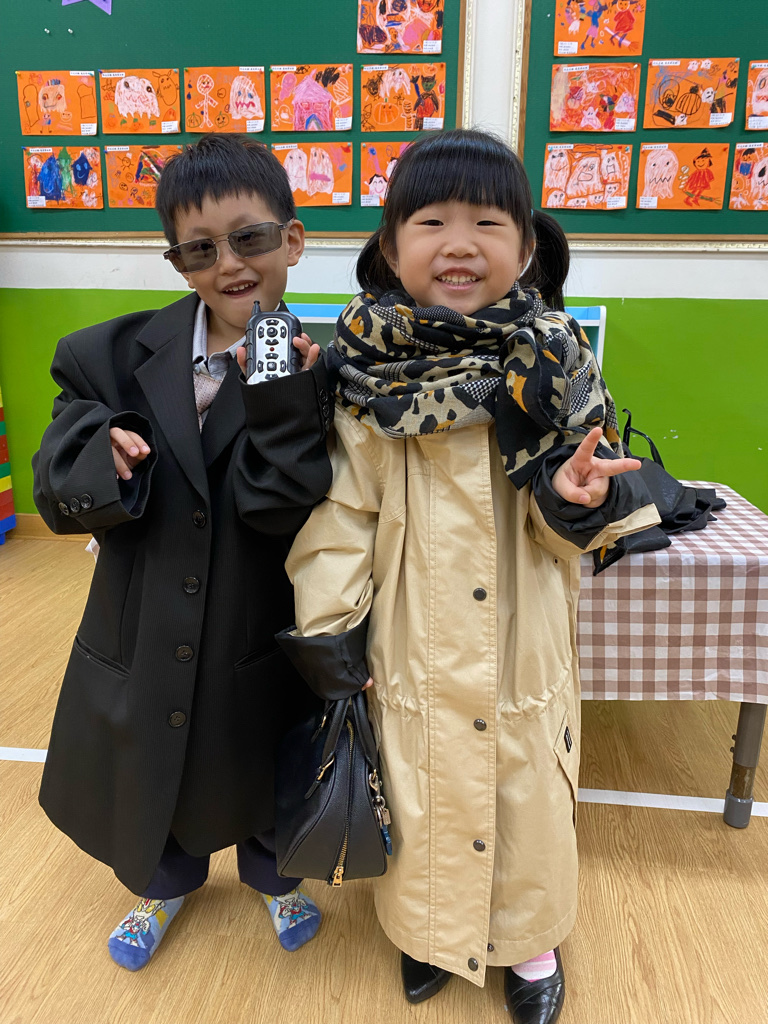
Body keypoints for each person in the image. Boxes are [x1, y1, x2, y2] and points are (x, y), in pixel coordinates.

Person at [277, 129, 660, 1024]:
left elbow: (575, 530)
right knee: (421, 793)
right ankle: (429, 935)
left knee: (525, 797)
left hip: (523, 646)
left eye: (488, 222)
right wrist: (331, 631)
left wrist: (573, 497)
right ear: (390, 248)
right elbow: (343, 516)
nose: (459, 243)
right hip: (410, 643)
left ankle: (530, 944)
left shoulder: (556, 367)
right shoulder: (366, 377)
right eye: (432, 222)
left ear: (525, 249)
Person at [32, 134, 333, 972]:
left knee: (266, 751)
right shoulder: (106, 356)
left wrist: (285, 397)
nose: (229, 265)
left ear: (292, 240)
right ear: (176, 261)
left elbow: (280, 507)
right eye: (199, 250)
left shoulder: (321, 369)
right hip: (143, 615)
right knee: (152, 760)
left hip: (258, 614)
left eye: (250, 238)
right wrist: (101, 455)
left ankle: (275, 880)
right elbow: (56, 484)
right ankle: (162, 885)